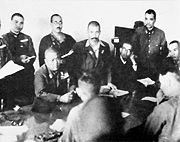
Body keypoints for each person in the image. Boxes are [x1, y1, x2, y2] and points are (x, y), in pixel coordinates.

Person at [59, 71, 124, 142]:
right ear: (100, 89)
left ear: (79, 91)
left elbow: (66, 140)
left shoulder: (76, 112)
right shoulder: (113, 106)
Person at [1, 13, 36, 109]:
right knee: (10, 103)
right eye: (16, 22)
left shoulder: (27, 38)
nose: (18, 25)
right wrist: (20, 59)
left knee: (28, 102)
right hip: (12, 77)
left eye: (21, 23)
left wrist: (28, 60)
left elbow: (33, 55)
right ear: (11, 22)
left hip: (26, 74)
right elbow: (7, 58)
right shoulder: (4, 39)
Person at [144, 58, 180, 142]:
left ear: (169, 82)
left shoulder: (164, 108)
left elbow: (145, 134)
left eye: (161, 83)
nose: (161, 87)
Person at [132, 9, 168, 81]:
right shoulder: (138, 32)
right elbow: (134, 48)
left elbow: (164, 52)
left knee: (153, 90)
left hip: (154, 70)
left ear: (154, 20)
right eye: (146, 19)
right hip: (140, 68)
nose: (148, 22)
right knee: (140, 89)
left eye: (151, 19)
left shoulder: (160, 34)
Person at [71, 21, 111, 85]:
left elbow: (108, 67)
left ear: (100, 32)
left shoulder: (105, 46)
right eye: (91, 32)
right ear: (87, 32)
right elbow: (74, 69)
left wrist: (109, 82)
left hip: (100, 85)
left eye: (97, 32)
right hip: (84, 85)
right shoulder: (79, 46)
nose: (94, 35)